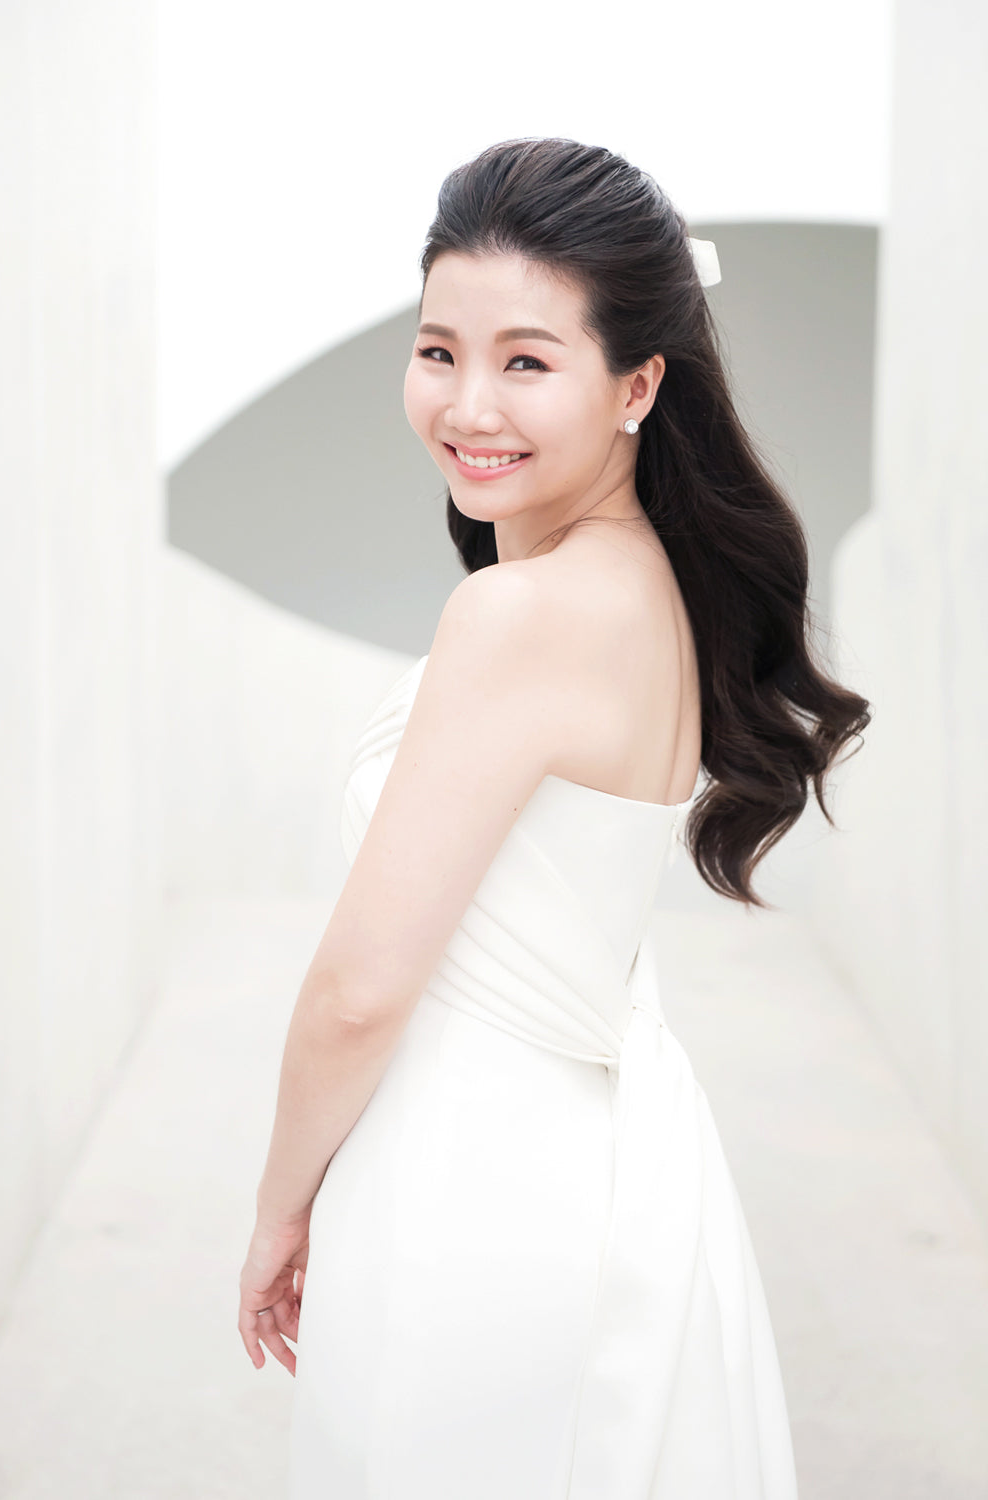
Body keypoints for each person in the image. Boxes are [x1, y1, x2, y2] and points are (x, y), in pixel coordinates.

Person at [238, 137, 871, 1498]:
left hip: (475, 1196)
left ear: (639, 381)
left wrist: (280, 1203)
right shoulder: (651, 584)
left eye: (527, 360)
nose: (469, 403)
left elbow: (358, 990)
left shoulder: (519, 615)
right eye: (439, 350)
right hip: (597, 1165)